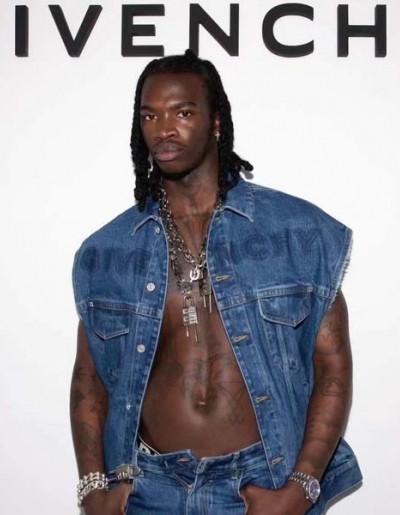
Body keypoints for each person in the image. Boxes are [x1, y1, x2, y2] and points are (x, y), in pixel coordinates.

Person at [70, 50, 362, 515]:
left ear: (217, 122)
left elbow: (332, 366)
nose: (164, 129)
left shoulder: (298, 233)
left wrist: (302, 486)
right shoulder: (106, 251)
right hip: (148, 489)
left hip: (262, 486)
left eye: (183, 113)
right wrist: (92, 489)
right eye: (150, 115)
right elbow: (89, 379)